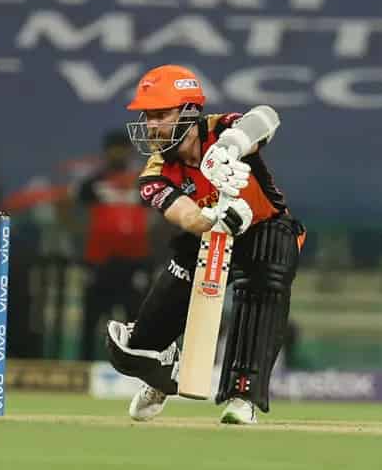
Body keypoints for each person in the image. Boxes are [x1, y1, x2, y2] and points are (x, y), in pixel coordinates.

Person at [105, 65, 305, 425]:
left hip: (266, 228)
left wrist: (229, 148)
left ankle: (243, 396)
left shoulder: (222, 129)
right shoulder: (155, 173)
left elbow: (267, 117)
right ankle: (162, 370)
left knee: (265, 281)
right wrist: (214, 219)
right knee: (133, 347)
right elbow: (187, 217)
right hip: (208, 232)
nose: (151, 126)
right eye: (148, 116)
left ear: (189, 112)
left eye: (161, 115)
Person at [74, 130, 153, 360]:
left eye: (122, 149)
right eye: (113, 149)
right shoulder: (93, 183)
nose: (118, 154)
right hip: (101, 261)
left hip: (135, 260)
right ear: (106, 152)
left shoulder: (143, 181)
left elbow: (161, 214)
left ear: (129, 151)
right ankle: (85, 366)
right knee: (92, 319)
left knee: (136, 321)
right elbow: (72, 208)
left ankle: (135, 365)